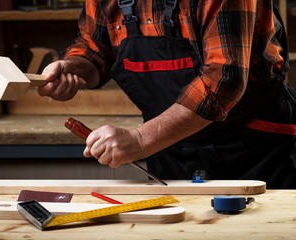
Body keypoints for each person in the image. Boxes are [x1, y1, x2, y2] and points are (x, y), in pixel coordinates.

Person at [38, 0, 296, 189]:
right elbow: (95, 48)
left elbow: (223, 80)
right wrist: (74, 66)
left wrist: (139, 141)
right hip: (170, 149)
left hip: (253, 148)